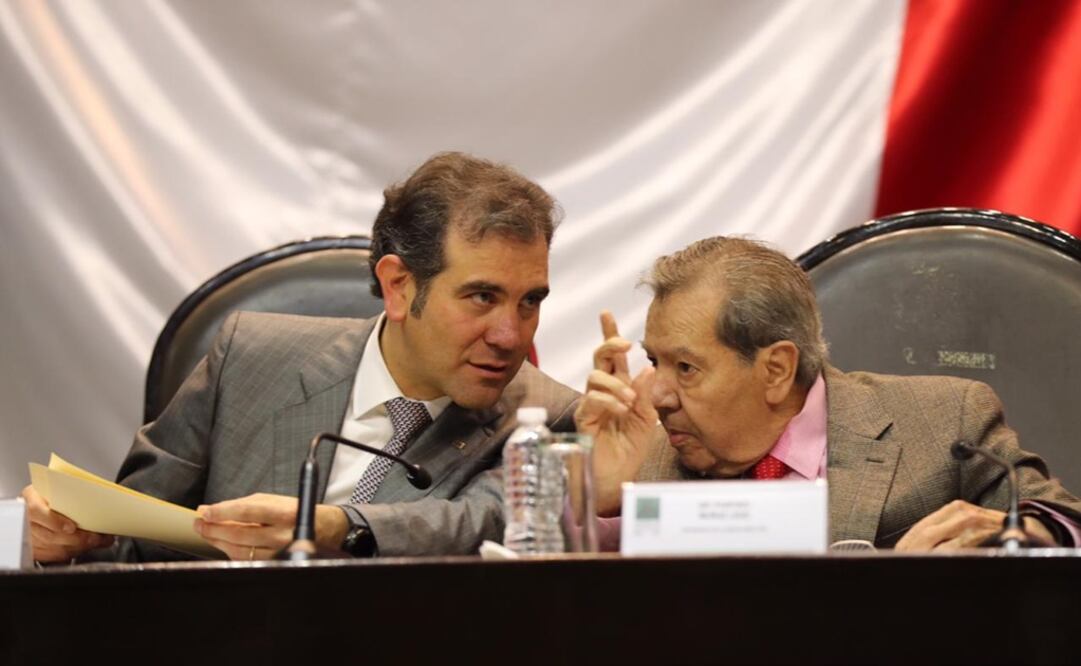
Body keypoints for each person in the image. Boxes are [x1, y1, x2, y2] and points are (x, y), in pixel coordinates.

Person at [23, 152, 579, 562]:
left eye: (530, 301)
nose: (510, 335)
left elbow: (482, 524)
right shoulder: (248, 356)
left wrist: (333, 526)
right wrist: (64, 538)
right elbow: (128, 537)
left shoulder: (547, 417)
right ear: (399, 287)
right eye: (482, 297)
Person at [580, 236, 1081, 549]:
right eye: (654, 362)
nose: (659, 394)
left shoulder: (944, 421)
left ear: (776, 369)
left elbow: (1065, 520)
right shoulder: (641, 450)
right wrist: (589, 496)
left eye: (685, 367)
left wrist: (1027, 533)